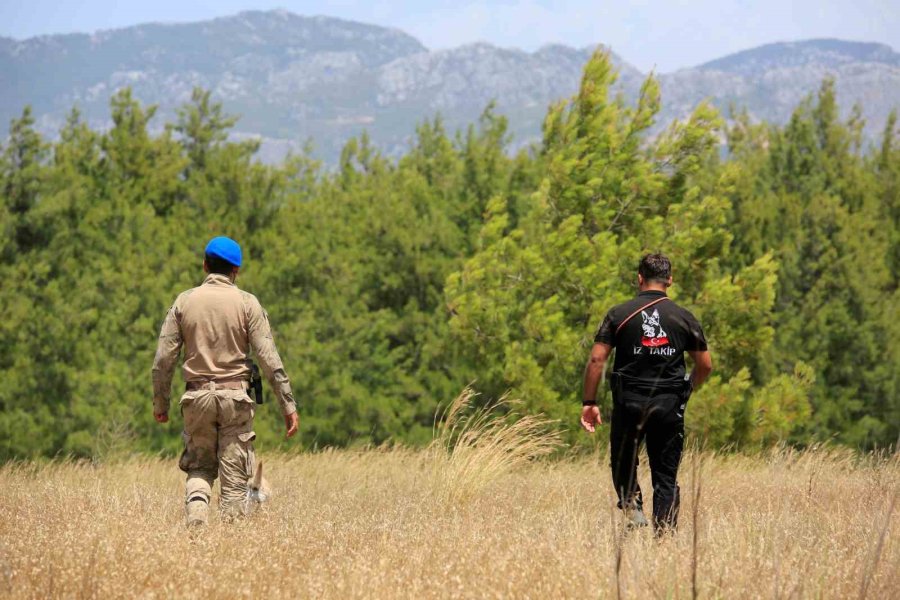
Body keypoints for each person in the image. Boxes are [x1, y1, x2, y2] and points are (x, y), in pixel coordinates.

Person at [151, 236, 299, 527]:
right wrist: (288, 406)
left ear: (205, 265)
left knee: (199, 469)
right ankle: (229, 543)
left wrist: (161, 404)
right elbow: (270, 359)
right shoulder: (247, 303)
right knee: (234, 484)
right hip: (235, 400)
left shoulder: (184, 302)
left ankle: (196, 517)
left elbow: (162, 360)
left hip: (196, 399)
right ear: (236, 270)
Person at [580, 253, 712, 533]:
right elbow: (705, 365)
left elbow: (596, 360)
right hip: (669, 405)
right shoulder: (684, 318)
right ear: (670, 280)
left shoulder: (618, 314)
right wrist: (686, 390)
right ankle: (664, 537)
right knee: (665, 477)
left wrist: (589, 402)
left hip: (629, 403)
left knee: (622, 461)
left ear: (639, 278)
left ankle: (632, 507)